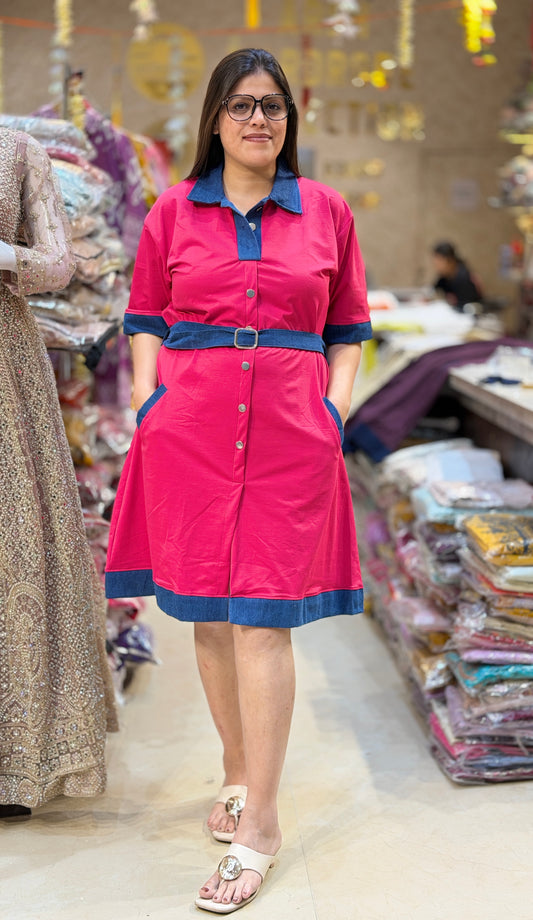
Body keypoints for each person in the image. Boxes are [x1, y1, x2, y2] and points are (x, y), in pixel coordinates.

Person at [105, 47, 372, 912]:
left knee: (262, 618)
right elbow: (144, 315)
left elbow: (349, 326)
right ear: (215, 118)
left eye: (274, 106)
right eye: (243, 105)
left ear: (289, 121)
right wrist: (150, 401)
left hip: (293, 433)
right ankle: (232, 772)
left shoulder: (324, 210)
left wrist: (331, 413)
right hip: (189, 427)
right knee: (206, 614)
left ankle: (260, 821)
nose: (260, 119)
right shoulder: (172, 210)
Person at [0, 127, 117, 817]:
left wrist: (2, 253)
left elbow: (59, 262)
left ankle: (19, 756)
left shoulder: (17, 152)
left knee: (14, 546)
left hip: (5, 363)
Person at [432, 240, 484, 311]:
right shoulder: (445, 276)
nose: (436, 266)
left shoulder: (464, 278)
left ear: (449, 260)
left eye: (438, 262)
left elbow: (468, 307)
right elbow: (434, 289)